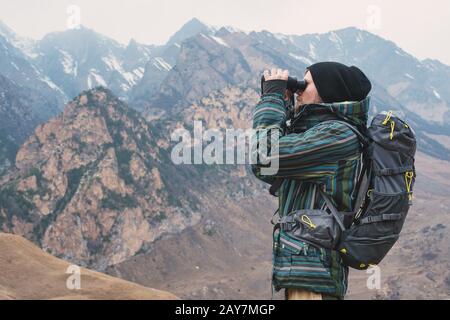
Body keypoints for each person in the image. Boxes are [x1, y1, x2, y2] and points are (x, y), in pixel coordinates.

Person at [252, 62, 372, 300]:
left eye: (305, 84)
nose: (298, 89)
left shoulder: (338, 136)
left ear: (328, 91)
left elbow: (265, 159)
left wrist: (271, 101)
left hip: (314, 279)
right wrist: (283, 104)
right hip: (304, 271)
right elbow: (266, 172)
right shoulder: (322, 133)